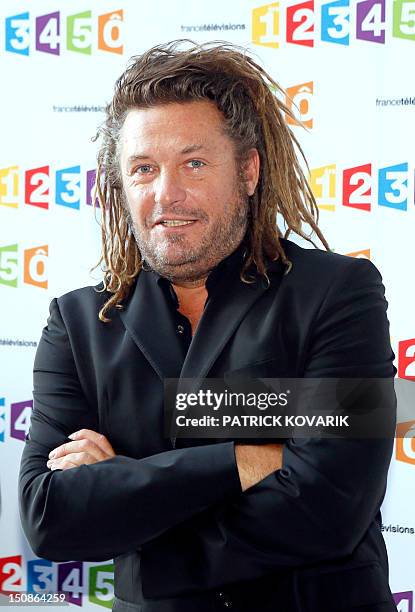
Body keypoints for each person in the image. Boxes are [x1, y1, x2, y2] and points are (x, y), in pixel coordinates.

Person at [19, 41, 397, 612]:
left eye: (194, 163)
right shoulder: (77, 324)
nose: (165, 194)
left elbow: (328, 507)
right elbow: (51, 519)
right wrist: (246, 457)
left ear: (248, 170)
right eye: (143, 169)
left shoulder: (337, 293)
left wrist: (131, 498)